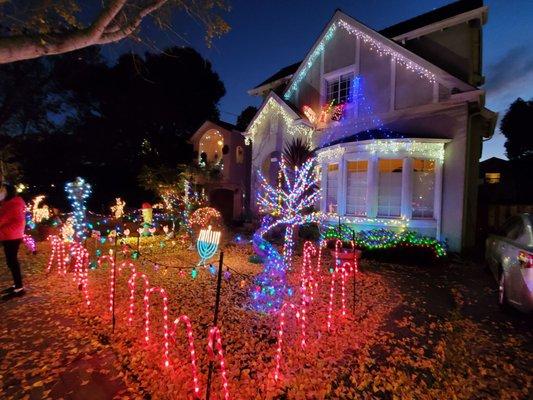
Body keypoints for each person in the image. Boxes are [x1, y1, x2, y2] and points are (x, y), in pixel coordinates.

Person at [0, 183, 26, 300]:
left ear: (8, 192)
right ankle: (17, 285)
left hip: (11, 236)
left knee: (12, 262)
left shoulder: (12, 205)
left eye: (3, 191)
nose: (1, 192)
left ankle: (19, 288)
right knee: (11, 262)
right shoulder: (12, 203)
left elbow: (1, 220)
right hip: (10, 235)